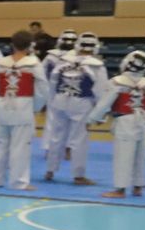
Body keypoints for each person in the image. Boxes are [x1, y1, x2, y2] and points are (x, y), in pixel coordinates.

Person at [89, 51, 145, 199]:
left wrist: (93, 119)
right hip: (142, 120)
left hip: (125, 120)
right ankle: (138, 187)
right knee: (140, 155)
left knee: (123, 155)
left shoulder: (117, 82)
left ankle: (120, 189)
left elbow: (104, 104)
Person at [43, 33, 106, 185]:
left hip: (60, 100)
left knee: (56, 136)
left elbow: (52, 82)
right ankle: (78, 175)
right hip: (81, 103)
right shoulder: (96, 66)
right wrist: (100, 115)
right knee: (79, 139)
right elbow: (101, 91)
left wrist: (51, 102)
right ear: (95, 47)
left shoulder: (63, 62)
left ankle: (50, 170)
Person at [0, 30, 50, 190]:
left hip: (3, 105)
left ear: (12, 44)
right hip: (23, 107)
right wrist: (36, 107)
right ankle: (18, 182)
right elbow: (42, 89)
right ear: (30, 45)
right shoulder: (34, 64)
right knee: (20, 146)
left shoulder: (1, 63)